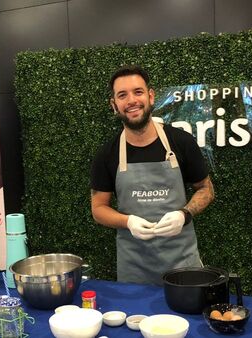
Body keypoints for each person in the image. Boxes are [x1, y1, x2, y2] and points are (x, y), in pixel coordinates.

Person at [91, 65, 215, 285]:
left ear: (150, 96)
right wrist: (128, 221)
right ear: (114, 105)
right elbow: (98, 208)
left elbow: (206, 189)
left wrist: (184, 214)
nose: (131, 100)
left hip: (182, 264)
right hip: (134, 269)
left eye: (138, 92)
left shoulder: (181, 141)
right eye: (122, 95)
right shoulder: (107, 153)